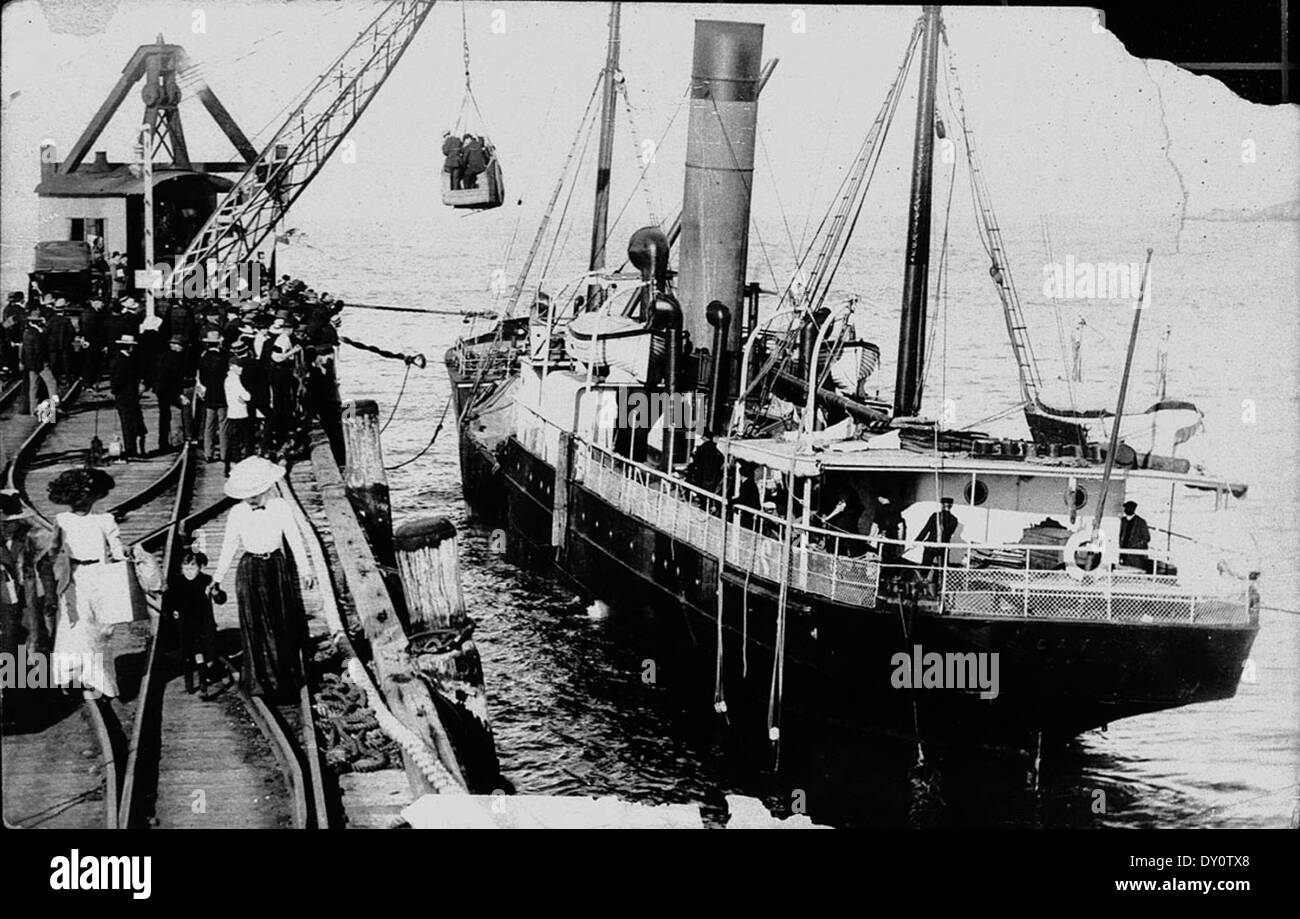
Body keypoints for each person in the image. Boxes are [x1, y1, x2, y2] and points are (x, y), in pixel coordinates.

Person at [211, 457, 314, 700]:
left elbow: (295, 540)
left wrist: (306, 569)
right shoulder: (236, 513)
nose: (252, 498)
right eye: (247, 494)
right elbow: (229, 546)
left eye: (256, 492)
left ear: (266, 487)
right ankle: (260, 681)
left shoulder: (280, 507)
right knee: (254, 625)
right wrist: (217, 577)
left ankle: (284, 680)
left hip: (276, 568)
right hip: (250, 570)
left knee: (280, 623)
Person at [48, 468, 128, 698]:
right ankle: (70, 675)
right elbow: (53, 548)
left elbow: (116, 548)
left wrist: (124, 556)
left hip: (100, 575)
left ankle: (98, 680)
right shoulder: (62, 520)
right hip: (74, 576)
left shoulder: (105, 519)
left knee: (99, 629)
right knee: (74, 626)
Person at [161, 550, 223, 696]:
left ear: (200, 567)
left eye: (192, 568)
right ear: (181, 569)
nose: (189, 572)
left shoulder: (206, 581)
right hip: (184, 623)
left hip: (203, 623)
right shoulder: (176, 582)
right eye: (186, 568)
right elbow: (168, 601)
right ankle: (190, 681)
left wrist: (215, 594)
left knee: (203, 653)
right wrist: (172, 613)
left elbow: (221, 599)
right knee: (188, 654)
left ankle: (203, 681)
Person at [154, 332, 193, 454]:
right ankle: (188, 437)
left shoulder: (162, 356)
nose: (182, 348)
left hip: (161, 389)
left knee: (164, 416)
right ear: (175, 345)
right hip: (168, 389)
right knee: (186, 406)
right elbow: (172, 378)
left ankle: (163, 442)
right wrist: (179, 395)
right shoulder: (175, 358)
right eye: (181, 345)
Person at [109, 332, 145, 458]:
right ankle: (131, 449)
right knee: (128, 423)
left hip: (130, 396)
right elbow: (117, 380)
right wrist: (116, 392)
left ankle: (133, 449)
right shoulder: (120, 360)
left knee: (133, 423)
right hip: (124, 397)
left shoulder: (126, 359)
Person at [196, 329, 228, 463]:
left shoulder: (202, 359)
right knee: (223, 425)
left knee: (209, 426)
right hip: (222, 395)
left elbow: (201, 379)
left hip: (209, 395)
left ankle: (208, 453)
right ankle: (224, 454)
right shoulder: (224, 358)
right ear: (219, 343)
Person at [21, 306, 59, 415]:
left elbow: (24, 350)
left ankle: (33, 410)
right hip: (40, 364)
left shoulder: (26, 332)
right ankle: (55, 405)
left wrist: (24, 362)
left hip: (30, 364)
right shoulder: (37, 334)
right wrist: (44, 362)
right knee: (52, 383)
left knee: (34, 387)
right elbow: (39, 350)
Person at [223, 353, 254, 475]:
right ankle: (234, 467)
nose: (242, 369)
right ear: (232, 366)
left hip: (233, 412)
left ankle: (229, 467)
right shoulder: (234, 379)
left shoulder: (229, 379)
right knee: (238, 441)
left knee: (234, 441)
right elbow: (246, 395)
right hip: (239, 413)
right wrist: (247, 396)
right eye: (239, 366)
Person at [917, 497, 960, 579]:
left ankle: (923, 581)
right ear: (951, 506)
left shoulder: (935, 516)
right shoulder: (954, 520)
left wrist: (916, 541)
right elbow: (949, 533)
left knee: (925, 568)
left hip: (931, 546)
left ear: (942, 505)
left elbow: (926, 530)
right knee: (944, 570)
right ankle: (942, 586)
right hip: (943, 548)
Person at [77, 295, 108, 388]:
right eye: (102, 303)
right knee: (90, 363)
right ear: (96, 303)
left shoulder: (88, 313)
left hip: (90, 341)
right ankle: (88, 383)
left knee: (90, 363)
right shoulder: (92, 314)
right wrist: (87, 340)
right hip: (92, 342)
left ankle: (87, 382)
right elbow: (90, 329)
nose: (103, 305)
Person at [871, 494, 906, 565]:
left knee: (880, 558)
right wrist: (899, 541)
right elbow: (900, 526)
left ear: (881, 497)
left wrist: (870, 538)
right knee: (891, 559)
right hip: (893, 538)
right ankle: (891, 574)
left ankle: (882, 574)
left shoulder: (879, 509)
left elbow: (875, 525)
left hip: (882, 537)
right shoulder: (896, 509)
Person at [1119, 500, 1152, 571]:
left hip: (1136, 557)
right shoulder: (1122, 521)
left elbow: (1147, 538)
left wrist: (1135, 547)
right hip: (1123, 554)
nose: (1125, 510)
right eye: (1125, 508)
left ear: (1133, 509)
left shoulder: (1141, 522)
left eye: (1128, 508)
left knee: (1135, 573)